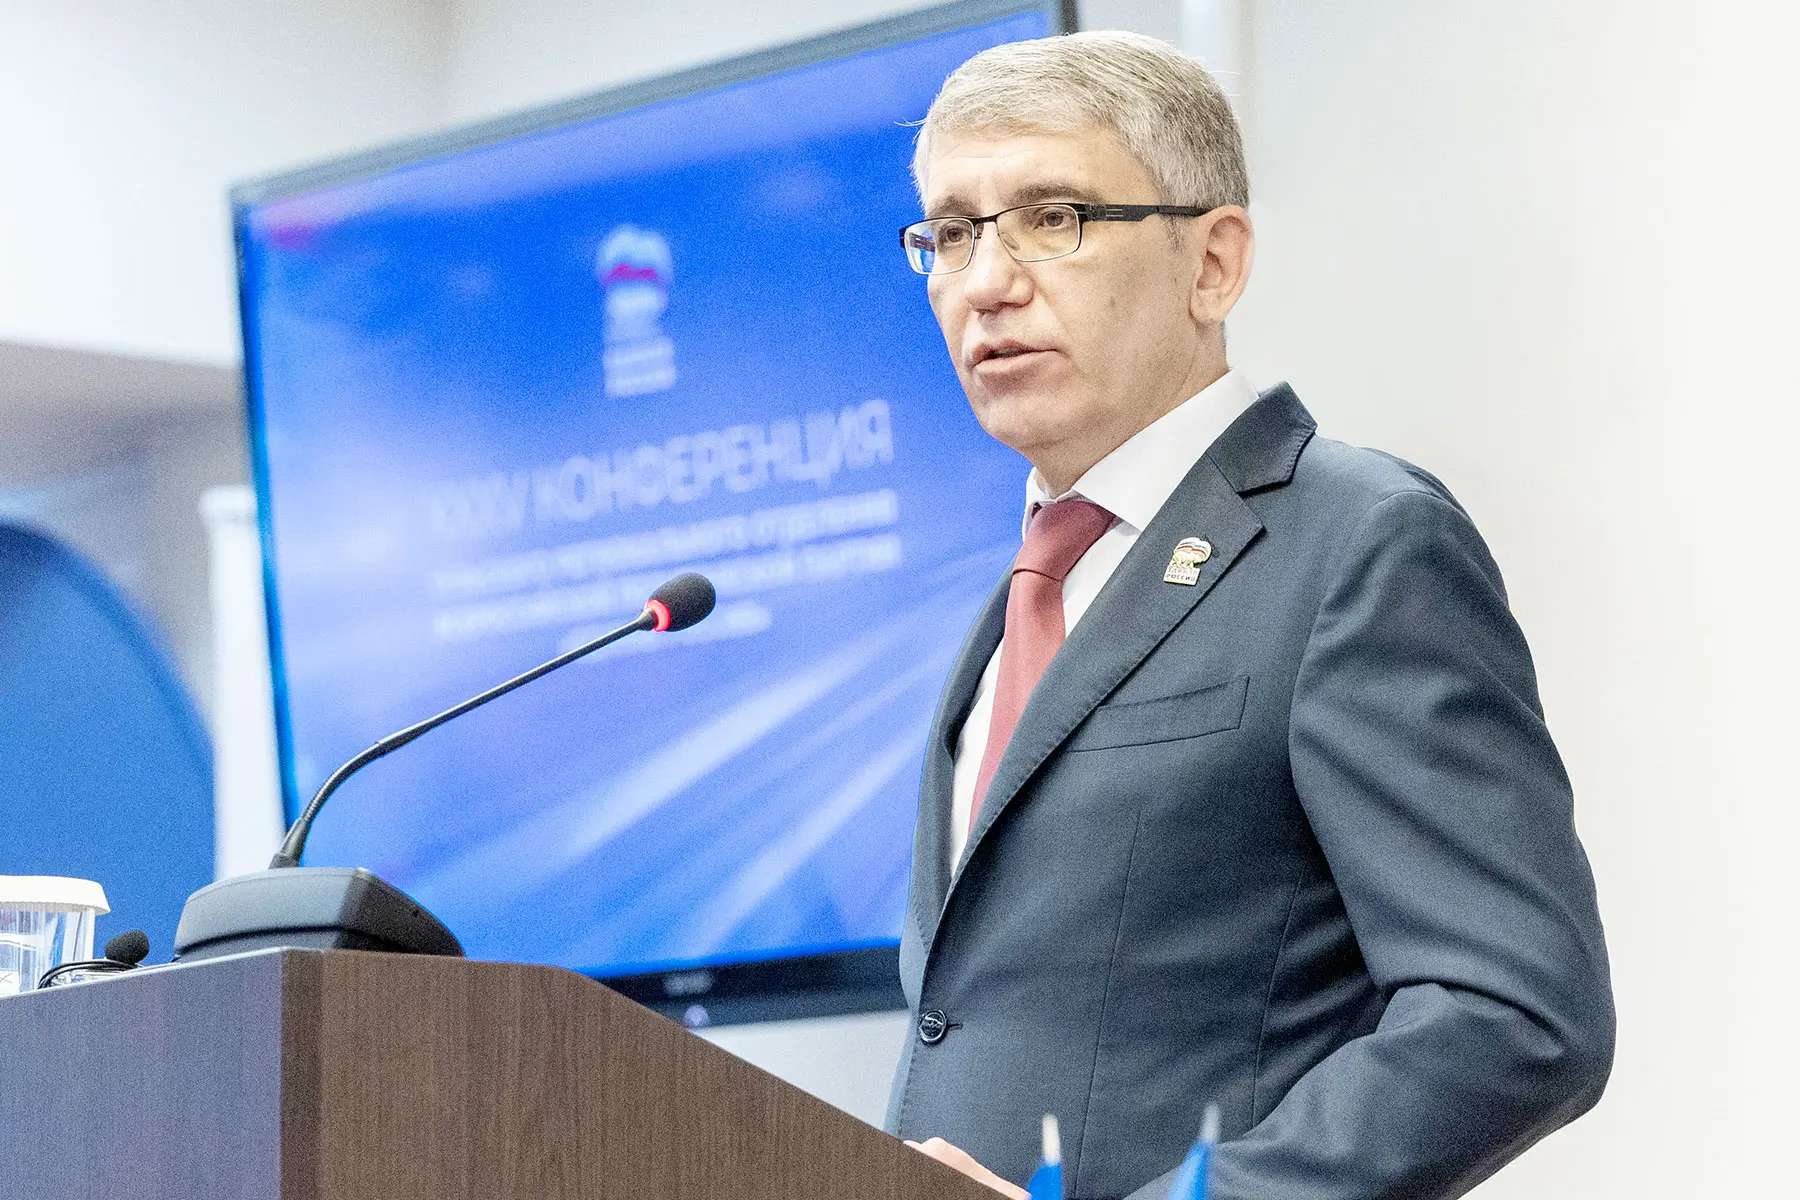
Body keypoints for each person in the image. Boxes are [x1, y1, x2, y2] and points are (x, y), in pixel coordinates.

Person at [886, 31, 1614, 1200]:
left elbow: (1514, 1011)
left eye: (1053, 217)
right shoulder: (1025, 600)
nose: (986, 282)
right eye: (953, 233)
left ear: (1214, 263)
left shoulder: (1359, 541)